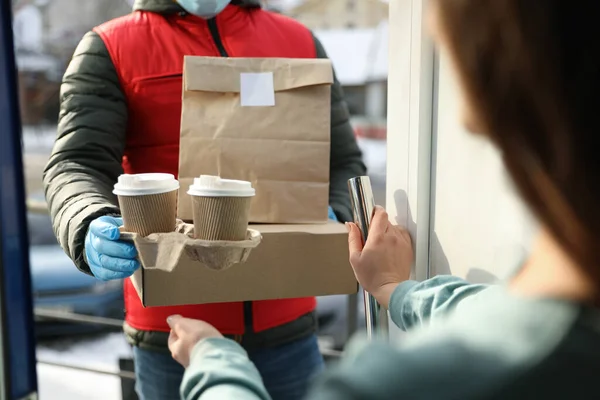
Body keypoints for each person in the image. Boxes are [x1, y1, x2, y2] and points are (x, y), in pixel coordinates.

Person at [166, 0, 600, 399]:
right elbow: (491, 309)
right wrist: (397, 290)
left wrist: (213, 359)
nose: (428, 24)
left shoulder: (399, 385)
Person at [42, 1, 366, 399]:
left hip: (290, 332)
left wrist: (335, 212)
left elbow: (343, 162)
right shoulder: (110, 47)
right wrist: (87, 219)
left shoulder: (298, 41)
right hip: (175, 340)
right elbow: (76, 164)